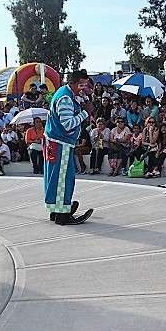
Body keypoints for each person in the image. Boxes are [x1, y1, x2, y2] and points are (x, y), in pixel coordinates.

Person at [43, 69, 94, 225]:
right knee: (64, 178)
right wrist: (85, 113)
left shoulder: (66, 93)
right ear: (72, 83)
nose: (83, 88)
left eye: (86, 85)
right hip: (61, 143)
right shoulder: (65, 98)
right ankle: (63, 216)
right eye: (81, 85)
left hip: (55, 141)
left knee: (54, 177)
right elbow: (68, 124)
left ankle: (56, 210)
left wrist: (84, 98)